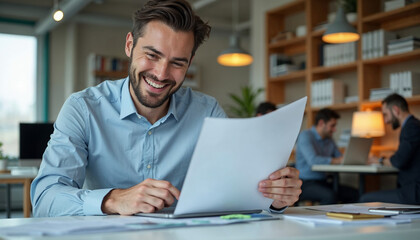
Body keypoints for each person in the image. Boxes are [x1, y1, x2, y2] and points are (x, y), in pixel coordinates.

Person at [31, 0, 302, 217]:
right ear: (129, 45)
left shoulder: (207, 111)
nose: (161, 74)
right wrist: (113, 199)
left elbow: (240, 191)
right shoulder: (83, 108)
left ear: (190, 62)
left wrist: (276, 198)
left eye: (177, 63)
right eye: (152, 55)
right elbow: (45, 199)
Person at [360, 94, 420, 204]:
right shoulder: (413, 125)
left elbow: (398, 161)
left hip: (415, 192)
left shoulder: (411, 127)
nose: (386, 121)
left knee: (365, 199)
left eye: (385, 114)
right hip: (412, 189)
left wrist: (379, 160)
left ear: (396, 110)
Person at [295, 108, 358, 204]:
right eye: (332, 126)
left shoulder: (329, 139)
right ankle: (323, 219)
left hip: (324, 181)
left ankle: (344, 218)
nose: (334, 129)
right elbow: (313, 160)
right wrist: (337, 160)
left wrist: (350, 157)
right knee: (330, 196)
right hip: (305, 183)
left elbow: (340, 157)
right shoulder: (305, 136)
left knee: (354, 194)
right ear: (321, 123)